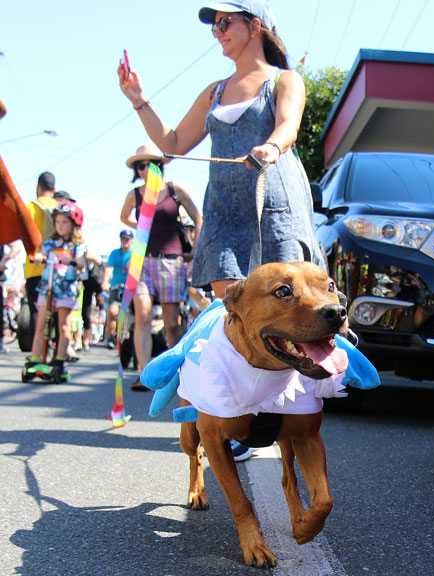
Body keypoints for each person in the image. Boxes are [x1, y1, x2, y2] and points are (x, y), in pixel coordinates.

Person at [118, 0, 324, 460]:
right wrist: (138, 100)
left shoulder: (282, 80)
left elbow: (288, 125)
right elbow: (171, 145)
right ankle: (241, 419)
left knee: (290, 310)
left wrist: (271, 146)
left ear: (255, 26)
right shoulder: (214, 91)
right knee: (237, 314)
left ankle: (290, 414)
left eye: (225, 22)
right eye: (214, 26)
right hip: (227, 210)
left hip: (275, 201)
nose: (218, 32)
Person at [120, 143, 202, 391]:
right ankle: (145, 374)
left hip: (172, 261)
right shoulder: (134, 194)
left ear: (160, 166)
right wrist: (140, 228)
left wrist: (194, 251)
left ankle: (174, 374)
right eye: (141, 165)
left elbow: (198, 217)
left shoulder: (175, 189)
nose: (146, 169)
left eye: (151, 164)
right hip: (142, 260)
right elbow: (123, 217)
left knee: (171, 323)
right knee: (142, 315)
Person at [25, 202, 87, 381]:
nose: (60, 225)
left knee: (64, 326)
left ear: (74, 224)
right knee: (41, 324)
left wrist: (73, 261)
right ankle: (35, 358)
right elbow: (41, 255)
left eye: (64, 222)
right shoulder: (50, 243)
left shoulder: (77, 245)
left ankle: (59, 360)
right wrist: (38, 257)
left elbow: (82, 263)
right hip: (48, 287)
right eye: (58, 221)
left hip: (66, 288)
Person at [24, 172, 58, 335]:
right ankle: (54, 348)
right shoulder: (59, 207)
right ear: (54, 189)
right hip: (57, 267)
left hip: (35, 266)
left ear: (38, 187)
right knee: (55, 311)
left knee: (37, 311)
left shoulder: (30, 207)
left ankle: (36, 352)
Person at [102, 228, 134, 348]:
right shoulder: (115, 253)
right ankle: (110, 337)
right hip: (117, 288)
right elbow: (109, 268)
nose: (125, 241)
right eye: (123, 239)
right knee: (112, 311)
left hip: (131, 290)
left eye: (127, 239)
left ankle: (130, 343)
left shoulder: (134, 254)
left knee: (132, 315)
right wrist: (105, 282)